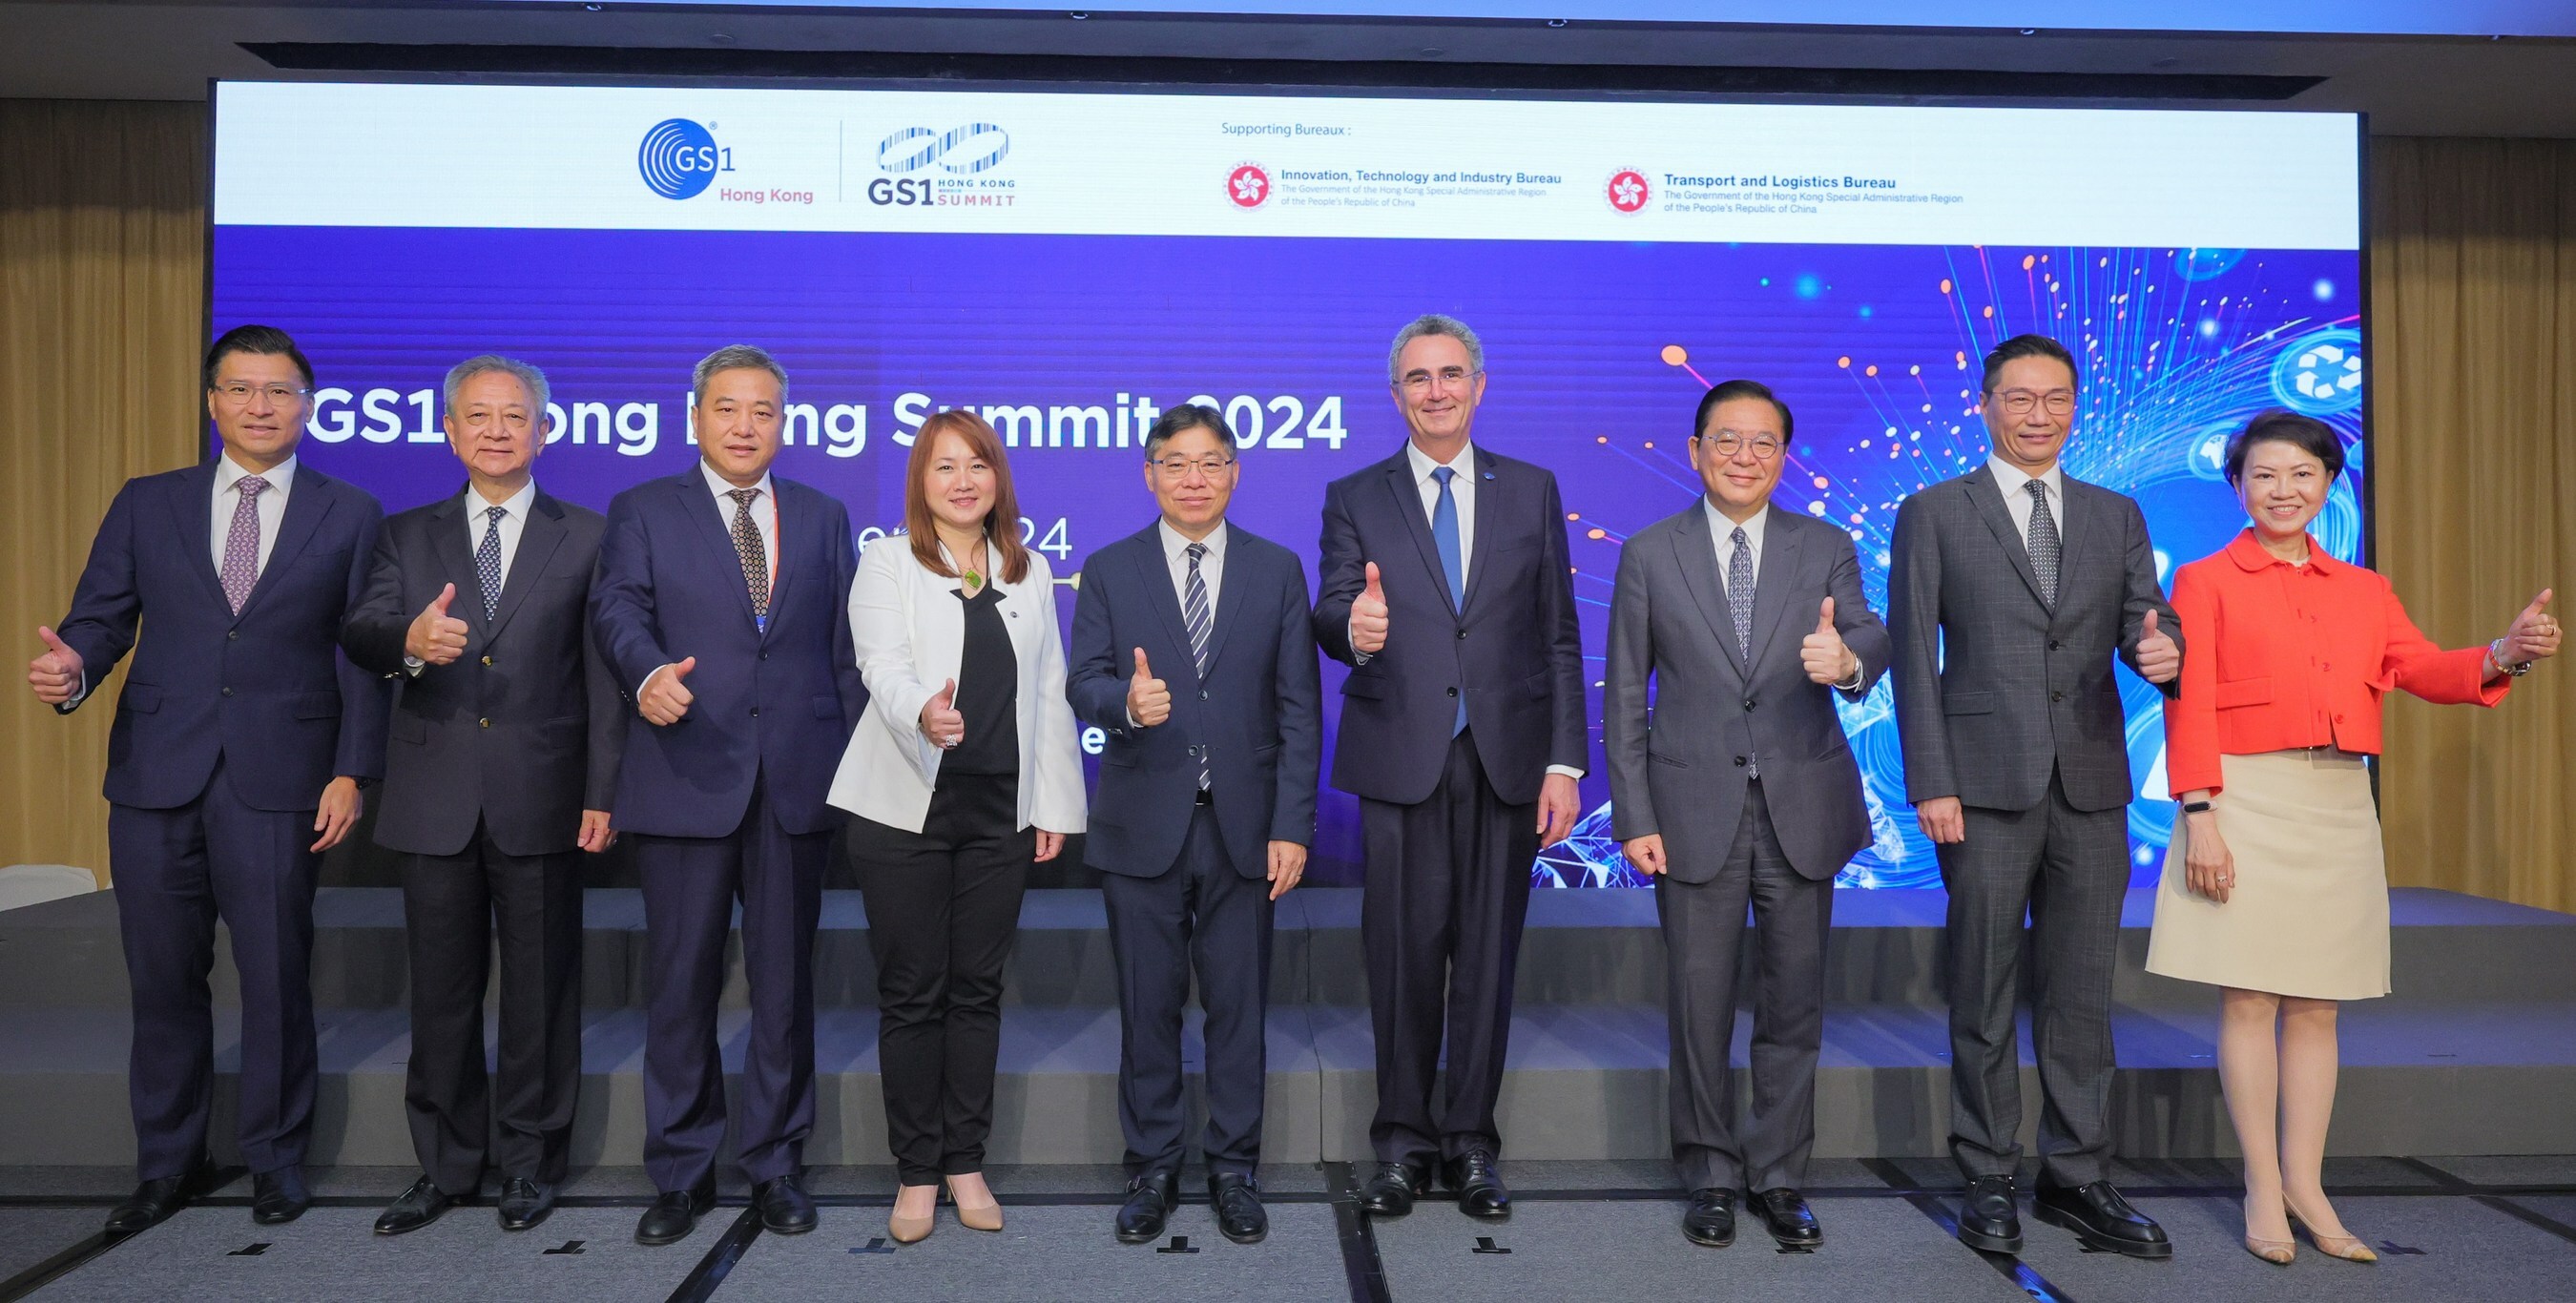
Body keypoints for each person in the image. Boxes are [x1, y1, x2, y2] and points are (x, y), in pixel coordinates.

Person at [2148, 410, 2557, 1266]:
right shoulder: (2205, 579)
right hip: (2244, 797)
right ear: (2237, 487)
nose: (2284, 490)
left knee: (2318, 1005)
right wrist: (2200, 814)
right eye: (2264, 476)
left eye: (2302, 474)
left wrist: (2503, 653)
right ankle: (2262, 1183)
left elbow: (2421, 668)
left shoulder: (2364, 588)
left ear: (2329, 483)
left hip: (2337, 803)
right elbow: (2188, 700)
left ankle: (2308, 1181)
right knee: (2251, 998)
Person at [24, 325, 388, 1232]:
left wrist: (352, 769)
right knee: (162, 978)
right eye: (242, 389)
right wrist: (75, 671)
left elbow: (366, 654)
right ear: (212, 401)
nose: (261, 406)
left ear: (308, 405)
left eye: (279, 392)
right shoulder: (149, 503)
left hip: (282, 777)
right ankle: (167, 1162)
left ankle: (274, 1159)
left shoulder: (351, 512)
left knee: (274, 976)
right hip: (156, 775)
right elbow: (101, 618)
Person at [1888, 332, 2183, 1258]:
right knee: (1982, 987)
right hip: (1979, 787)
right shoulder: (1934, 511)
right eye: (2020, 398)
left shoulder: (2114, 514)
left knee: (2082, 994)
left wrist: (2163, 654)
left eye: (2056, 398)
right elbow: (1910, 657)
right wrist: (1931, 779)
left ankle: (2079, 1176)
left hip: (2092, 781)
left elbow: (2147, 622)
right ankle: (1987, 1174)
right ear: (1985, 404)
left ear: (2075, 406)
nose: (2038, 414)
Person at [340, 356, 623, 1236]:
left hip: (545, 793)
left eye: (515, 416)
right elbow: (362, 629)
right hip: (434, 796)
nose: (498, 430)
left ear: (545, 431)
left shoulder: (589, 533)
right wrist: (412, 641)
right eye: (479, 416)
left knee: (541, 993)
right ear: (451, 432)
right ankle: (447, 1167)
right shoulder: (403, 533)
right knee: (443, 993)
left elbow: (606, 678)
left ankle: (530, 1165)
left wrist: (602, 789)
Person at [1605, 380, 1889, 1250]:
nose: (1744, 458)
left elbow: (1873, 638)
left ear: (1784, 457)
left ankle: (1779, 1174)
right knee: (1698, 1004)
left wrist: (1846, 662)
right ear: (1695, 452)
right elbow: (1624, 694)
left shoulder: (1825, 545)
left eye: (1764, 444)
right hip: (1691, 809)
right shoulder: (1651, 553)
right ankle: (1710, 1173)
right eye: (1727, 441)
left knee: (1794, 1003)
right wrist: (1633, 813)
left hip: (1802, 804)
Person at [1315, 314, 1587, 1220]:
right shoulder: (1356, 493)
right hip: (1402, 759)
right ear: (1395, 396)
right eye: (1419, 379)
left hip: (1508, 760)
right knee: (1400, 959)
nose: (1437, 391)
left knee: (1486, 961)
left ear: (1480, 384)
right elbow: (1334, 605)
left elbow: (1557, 634)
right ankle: (1400, 1144)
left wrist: (1565, 763)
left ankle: (1472, 1144)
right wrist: (1351, 629)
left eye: (1452, 374)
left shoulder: (1532, 490)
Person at [590, 344, 862, 1247]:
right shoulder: (643, 511)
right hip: (683, 774)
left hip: (794, 782)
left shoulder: (824, 516)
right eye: (729, 409)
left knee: (784, 987)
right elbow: (617, 610)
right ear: (696, 417)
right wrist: (644, 674)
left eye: (765, 411)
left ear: (785, 422)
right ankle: (679, 1170)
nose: (747, 426)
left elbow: (841, 654)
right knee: (680, 985)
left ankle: (776, 1163)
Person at [1065, 404, 1323, 1247]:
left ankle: (1234, 1169)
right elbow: (1085, 682)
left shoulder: (1277, 568)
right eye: (1176, 464)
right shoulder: (1108, 569)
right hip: (1143, 824)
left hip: (1246, 828)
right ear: (1149, 475)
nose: (1194, 479)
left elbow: (1298, 708)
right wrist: (1125, 705)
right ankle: (1151, 1168)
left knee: (1239, 1009)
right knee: (1148, 1008)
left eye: (1211, 463)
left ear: (1235, 472)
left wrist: (1293, 824)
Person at [827, 409, 1086, 1244]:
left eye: (977, 464)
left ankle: (964, 1161)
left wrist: (1053, 805)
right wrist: (924, 716)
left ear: (997, 478)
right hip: (904, 806)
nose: (963, 481)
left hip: (997, 814)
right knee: (913, 993)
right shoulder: (886, 560)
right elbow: (882, 668)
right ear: (921, 482)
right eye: (944, 468)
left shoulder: (1029, 569)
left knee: (976, 991)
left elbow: (1049, 693)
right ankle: (914, 1172)